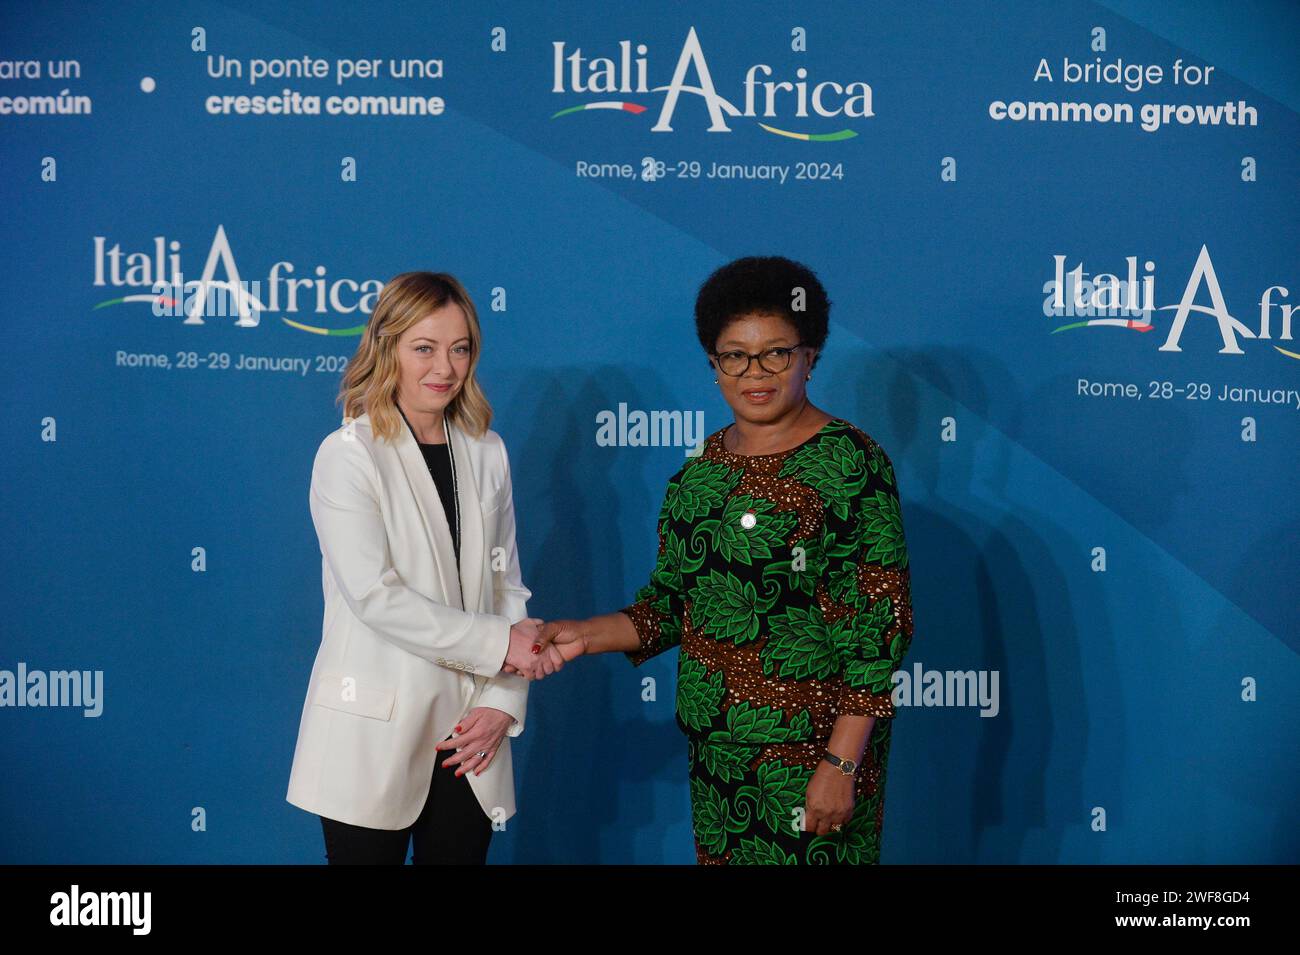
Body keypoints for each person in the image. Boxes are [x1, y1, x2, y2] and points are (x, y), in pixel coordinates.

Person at [537, 256, 915, 864]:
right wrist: (582, 634)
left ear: (810, 354)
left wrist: (842, 763)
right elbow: (670, 609)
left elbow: (877, 632)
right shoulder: (701, 472)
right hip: (717, 763)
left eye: (775, 353)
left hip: (811, 759)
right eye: (734, 355)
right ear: (714, 365)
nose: (754, 372)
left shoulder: (849, 463)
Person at [285, 271, 563, 864]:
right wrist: (501, 646)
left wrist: (503, 702)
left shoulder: (487, 449)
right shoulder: (348, 456)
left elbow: (505, 586)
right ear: (387, 349)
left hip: (471, 736)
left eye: (459, 348)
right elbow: (374, 597)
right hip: (372, 732)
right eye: (424, 348)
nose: (445, 366)